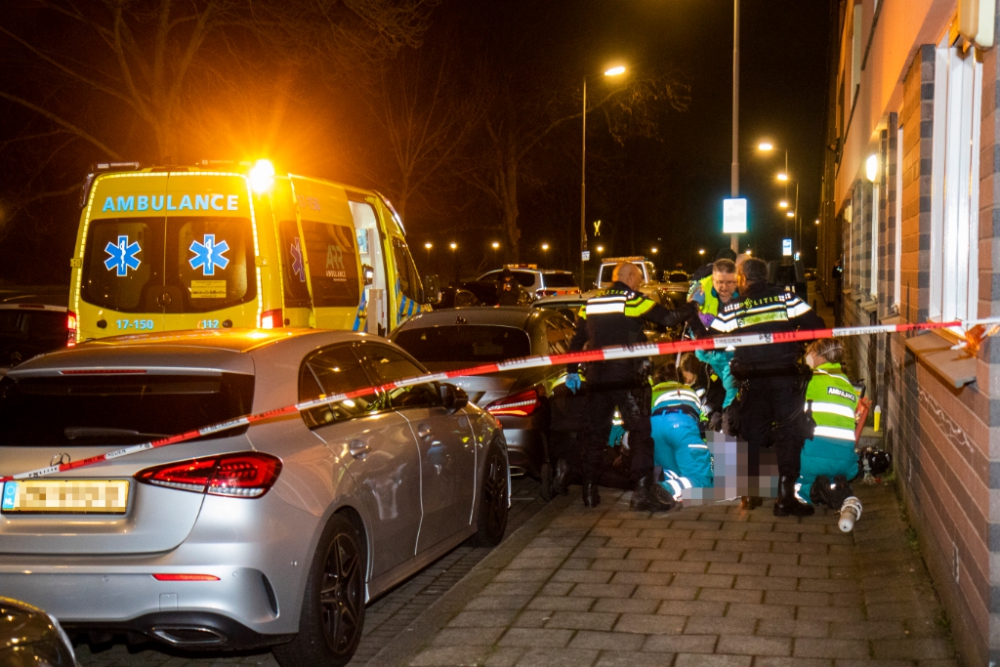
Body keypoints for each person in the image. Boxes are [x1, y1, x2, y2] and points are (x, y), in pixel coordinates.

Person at [566, 262, 703, 511]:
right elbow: (669, 319)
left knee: (595, 435)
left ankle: (589, 491)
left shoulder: (591, 302)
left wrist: (571, 371)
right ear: (628, 277)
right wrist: (692, 305)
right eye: (638, 281)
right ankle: (641, 493)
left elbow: (577, 340)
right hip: (628, 377)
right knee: (641, 434)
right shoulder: (632, 299)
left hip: (597, 378)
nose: (640, 285)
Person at [709, 257, 826, 517]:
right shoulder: (786, 298)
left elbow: (711, 341)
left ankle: (750, 493)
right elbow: (817, 328)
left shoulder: (735, 306)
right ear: (766, 277)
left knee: (752, 432)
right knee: (788, 432)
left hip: (752, 380)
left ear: (742, 279)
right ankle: (785, 496)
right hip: (784, 376)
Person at [796, 338, 860, 508]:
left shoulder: (809, 380)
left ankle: (812, 491)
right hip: (846, 463)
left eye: (809, 353)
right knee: (838, 465)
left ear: (817, 355)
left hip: (811, 460)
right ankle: (835, 486)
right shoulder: (848, 385)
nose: (807, 357)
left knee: (788, 474)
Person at [650, 364, 714, 504]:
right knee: (702, 480)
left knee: (673, 472)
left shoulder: (651, 391)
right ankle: (666, 488)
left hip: (654, 427)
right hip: (681, 425)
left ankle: (661, 487)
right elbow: (703, 423)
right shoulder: (687, 390)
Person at [688, 258, 740, 427]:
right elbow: (688, 315)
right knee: (714, 407)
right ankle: (719, 446)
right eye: (719, 282)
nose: (724, 287)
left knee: (730, 405)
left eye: (729, 282)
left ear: (737, 280)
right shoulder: (701, 289)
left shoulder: (745, 297)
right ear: (713, 279)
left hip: (733, 360)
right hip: (708, 359)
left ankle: (728, 445)